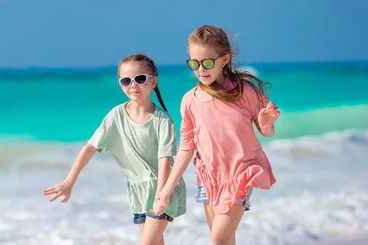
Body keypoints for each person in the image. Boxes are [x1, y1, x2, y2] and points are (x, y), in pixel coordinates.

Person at [151, 24, 281, 245]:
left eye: (208, 62)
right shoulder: (189, 100)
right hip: (208, 178)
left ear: (225, 59)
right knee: (226, 241)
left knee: (217, 241)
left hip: (241, 173)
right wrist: (166, 189)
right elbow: (186, 148)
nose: (201, 69)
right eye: (194, 63)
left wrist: (266, 124)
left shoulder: (244, 91)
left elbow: (267, 132)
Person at [43, 53, 187, 245]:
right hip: (138, 190)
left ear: (153, 82)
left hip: (162, 187)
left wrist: (162, 194)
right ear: (121, 84)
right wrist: (69, 182)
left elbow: (164, 163)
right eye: (126, 81)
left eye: (140, 78)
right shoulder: (116, 116)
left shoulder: (163, 121)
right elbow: (89, 148)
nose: (133, 85)